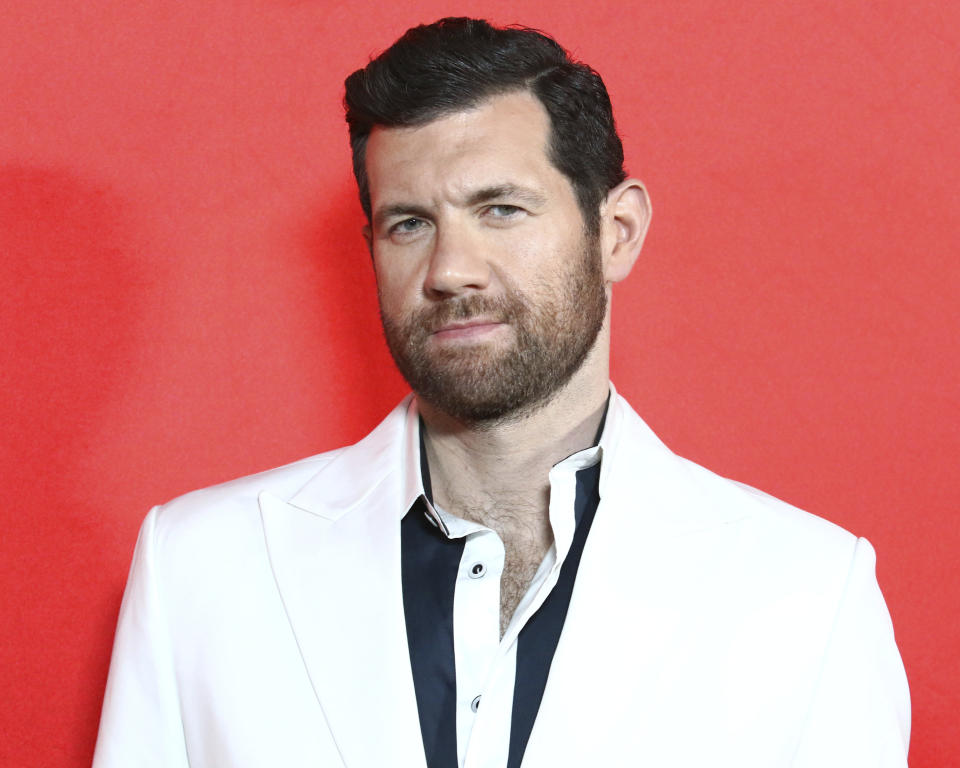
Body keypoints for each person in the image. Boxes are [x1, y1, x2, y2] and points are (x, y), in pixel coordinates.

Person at [92, 17, 910, 768]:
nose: (450, 271)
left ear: (616, 231)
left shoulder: (805, 594)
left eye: (503, 209)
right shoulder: (199, 569)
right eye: (409, 223)